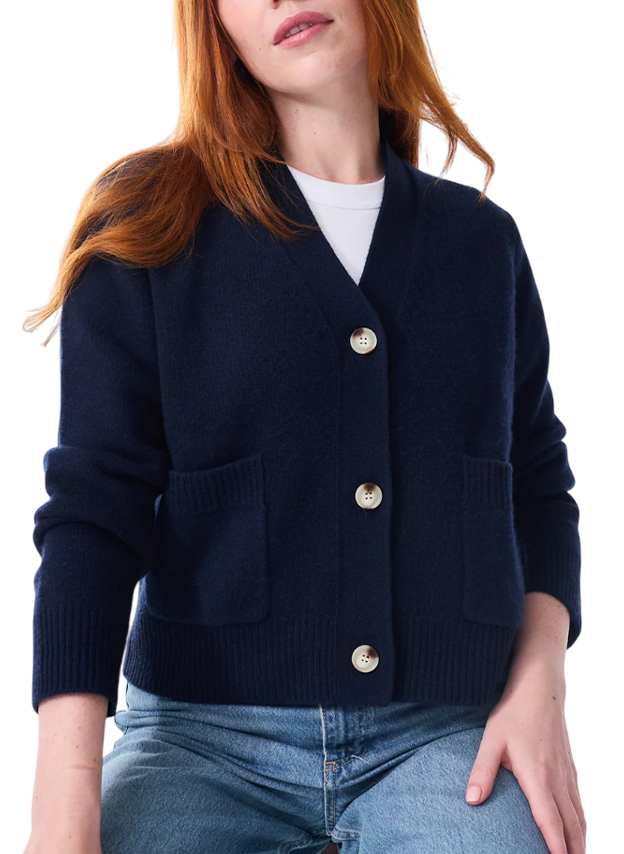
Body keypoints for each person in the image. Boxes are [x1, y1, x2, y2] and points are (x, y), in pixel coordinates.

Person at [25, 2, 585, 853]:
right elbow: (93, 512)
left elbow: (538, 488)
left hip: (441, 734)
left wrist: (538, 687)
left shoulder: (480, 245)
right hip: (197, 738)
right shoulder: (147, 223)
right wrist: (62, 795)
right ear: (214, 27)